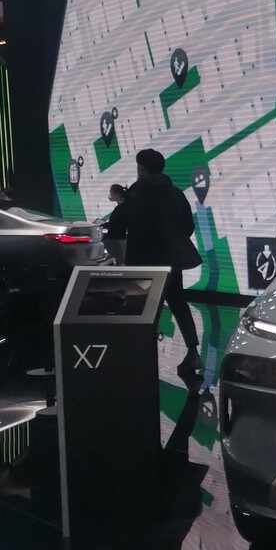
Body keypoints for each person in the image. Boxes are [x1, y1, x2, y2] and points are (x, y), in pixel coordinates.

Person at [124, 149, 203, 384]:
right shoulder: (176, 193)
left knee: (145, 309)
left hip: (143, 261)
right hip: (171, 260)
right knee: (178, 303)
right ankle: (193, 352)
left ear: (141, 169)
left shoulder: (136, 193)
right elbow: (188, 226)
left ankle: (141, 356)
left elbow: (126, 223)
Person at [103, 183, 129, 263]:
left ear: (117, 194)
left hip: (117, 240)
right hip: (117, 239)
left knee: (120, 262)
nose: (110, 195)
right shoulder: (122, 207)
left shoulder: (121, 208)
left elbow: (115, 224)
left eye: (111, 192)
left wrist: (102, 225)